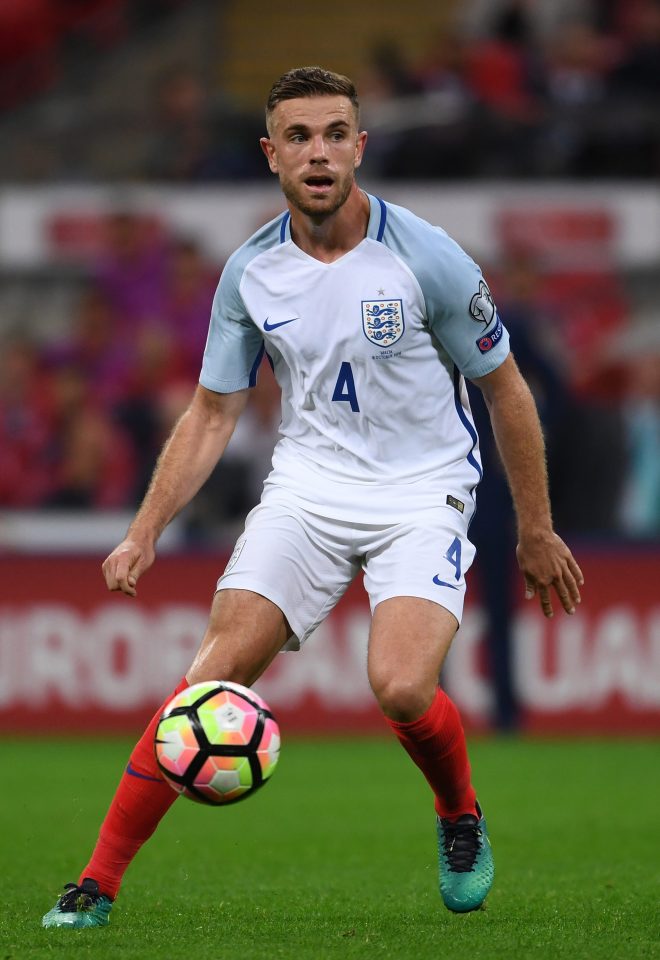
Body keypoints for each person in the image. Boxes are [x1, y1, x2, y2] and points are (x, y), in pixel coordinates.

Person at [42, 66, 583, 929]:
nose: (319, 153)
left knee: (402, 688)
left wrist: (537, 530)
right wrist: (143, 531)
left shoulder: (428, 259)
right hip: (308, 489)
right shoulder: (250, 273)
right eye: (299, 137)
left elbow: (508, 389)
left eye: (336, 134)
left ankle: (459, 815)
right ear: (271, 155)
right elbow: (213, 411)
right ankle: (95, 884)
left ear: (360, 147)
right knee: (204, 684)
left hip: (422, 491)